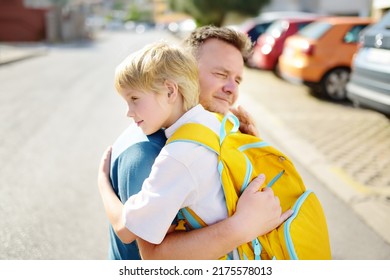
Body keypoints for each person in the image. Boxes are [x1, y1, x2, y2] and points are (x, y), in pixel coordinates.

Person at [98, 26, 291, 260]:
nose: (232, 89)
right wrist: (243, 227)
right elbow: (152, 256)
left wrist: (249, 147)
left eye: (237, 80)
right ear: (185, 71)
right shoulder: (151, 151)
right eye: (221, 74)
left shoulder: (219, 127)